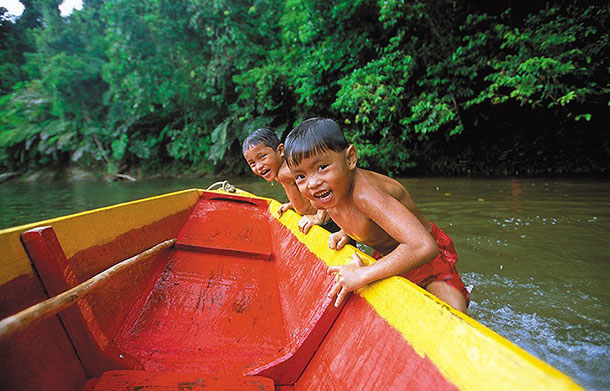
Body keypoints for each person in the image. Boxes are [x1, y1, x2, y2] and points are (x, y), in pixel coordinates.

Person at [284, 118, 469, 313]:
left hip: (424, 258)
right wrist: (344, 230)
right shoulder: (322, 193)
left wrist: (363, 275)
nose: (312, 183)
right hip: (389, 257)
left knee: (456, 317)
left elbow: (423, 247)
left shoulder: (365, 195)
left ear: (350, 158)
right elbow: (353, 215)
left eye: (322, 167)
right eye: (300, 176)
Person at [242, 127, 327, 231]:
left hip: (327, 220)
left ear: (281, 150)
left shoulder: (288, 171)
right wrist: (292, 204)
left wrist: (320, 217)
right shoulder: (278, 172)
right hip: (312, 216)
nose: (259, 166)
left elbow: (323, 184)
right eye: (252, 163)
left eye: (262, 157)